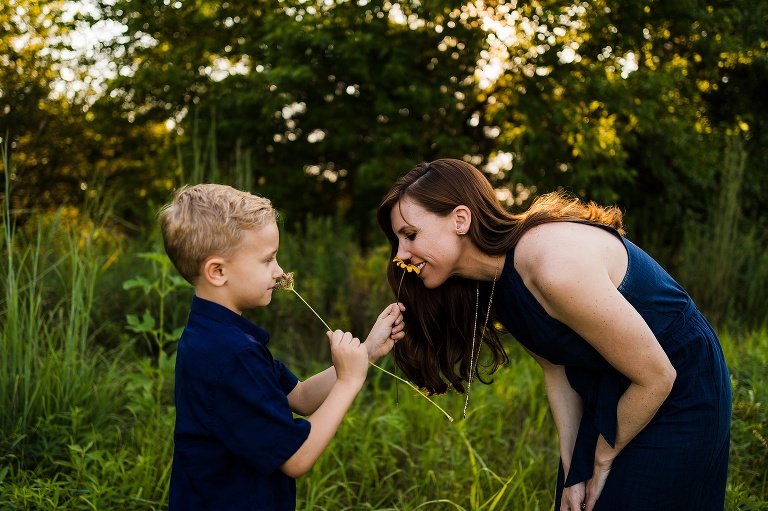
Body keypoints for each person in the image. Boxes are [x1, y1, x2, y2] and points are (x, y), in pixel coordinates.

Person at [376, 158, 731, 511]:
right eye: (398, 240)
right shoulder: (493, 283)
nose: (401, 255)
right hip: (613, 382)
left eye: (410, 235)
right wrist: (572, 469)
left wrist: (600, 458)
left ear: (460, 219)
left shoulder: (550, 266)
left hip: (677, 383)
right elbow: (555, 368)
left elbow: (657, 376)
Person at [159, 183, 405, 511]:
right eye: (267, 260)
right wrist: (349, 381)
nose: (279, 271)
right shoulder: (230, 355)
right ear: (218, 271)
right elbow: (296, 457)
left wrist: (368, 352)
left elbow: (300, 397)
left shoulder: (219, 335)